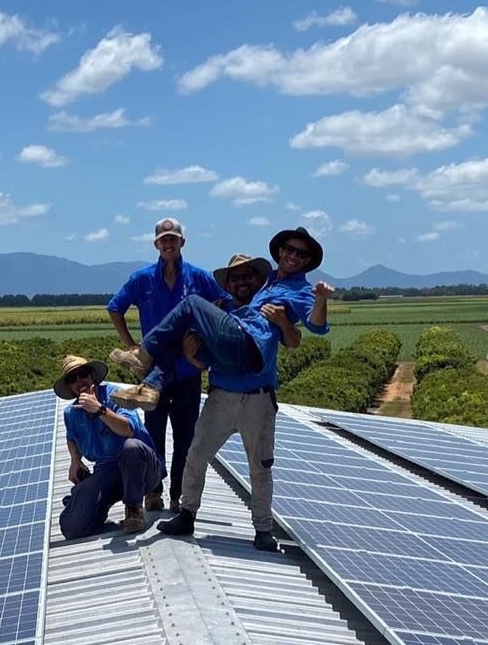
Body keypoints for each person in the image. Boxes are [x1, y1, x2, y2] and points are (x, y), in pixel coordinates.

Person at [157, 250, 332, 550]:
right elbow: (201, 361)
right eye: (235, 278)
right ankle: (187, 514)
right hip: (221, 396)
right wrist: (189, 355)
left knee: (260, 466)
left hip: (257, 400)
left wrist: (289, 318)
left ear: (258, 280)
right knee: (196, 456)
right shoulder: (219, 315)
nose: (240, 282)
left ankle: (263, 529)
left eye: (247, 277)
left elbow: (295, 340)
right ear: (228, 285)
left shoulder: (268, 307)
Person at [109, 225, 330, 407]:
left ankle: (143, 353)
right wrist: (218, 310)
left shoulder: (301, 289)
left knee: (192, 303)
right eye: (290, 249)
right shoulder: (267, 282)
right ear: (281, 251)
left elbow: (316, 326)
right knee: (182, 335)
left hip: (248, 347)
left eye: (301, 254)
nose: (293, 256)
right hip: (227, 368)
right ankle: (150, 387)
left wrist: (320, 300)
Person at [106, 217, 228, 512]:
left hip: (186, 370)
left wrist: (203, 335)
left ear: (182, 242)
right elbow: (114, 307)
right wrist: (130, 343)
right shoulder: (142, 278)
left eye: (174, 239)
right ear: (156, 244)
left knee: (185, 436)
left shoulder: (199, 277)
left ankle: (177, 493)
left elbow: (224, 302)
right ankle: (154, 491)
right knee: (154, 434)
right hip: (158, 368)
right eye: (164, 239)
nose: (169, 243)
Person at [54, 354, 163, 539]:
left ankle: (134, 508)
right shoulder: (71, 413)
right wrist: (75, 460)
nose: (79, 381)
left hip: (141, 470)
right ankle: (96, 510)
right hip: (107, 474)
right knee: (72, 528)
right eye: (73, 379)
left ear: (92, 376)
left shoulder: (116, 395)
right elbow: (71, 437)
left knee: (131, 448)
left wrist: (99, 410)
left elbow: (128, 429)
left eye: (83, 374)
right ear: (70, 387)